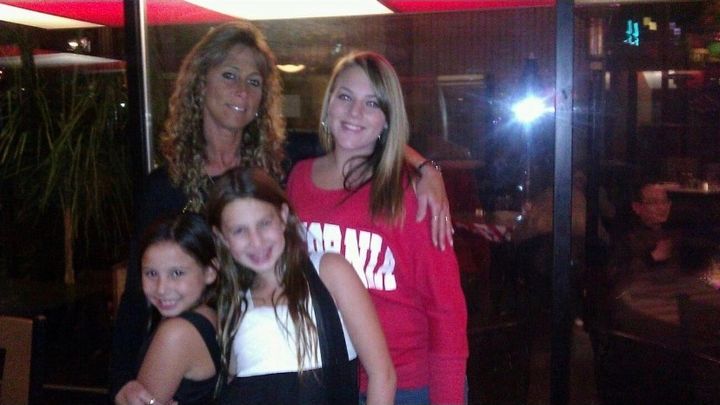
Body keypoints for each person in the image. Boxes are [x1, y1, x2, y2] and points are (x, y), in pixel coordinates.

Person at [112, 20, 448, 404]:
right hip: (200, 342)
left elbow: (359, 132)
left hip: (263, 346)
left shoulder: (284, 160)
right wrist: (121, 382)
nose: (242, 90)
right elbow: (137, 295)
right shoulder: (164, 187)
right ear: (200, 82)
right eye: (229, 75)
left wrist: (425, 168)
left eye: (254, 82)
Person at [287, 51, 468, 404]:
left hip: (409, 386)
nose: (355, 112)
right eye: (345, 96)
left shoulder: (412, 192)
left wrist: (447, 397)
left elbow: (446, 308)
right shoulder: (298, 179)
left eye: (372, 103)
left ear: (387, 119)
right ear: (327, 105)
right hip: (328, 378)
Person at [207, 167, 395, 404]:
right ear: (222, 238)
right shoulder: (234, 302)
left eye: (264, 223)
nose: (256, 241)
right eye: (239, 231)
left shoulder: (329, 272)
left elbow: (382, 375)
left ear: (283, 216)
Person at [135, 213, 220, 405]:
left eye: (176, 273)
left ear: (210, 271)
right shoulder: (209, 314)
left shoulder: (176, 333)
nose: (161, 288)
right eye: (151, 273)